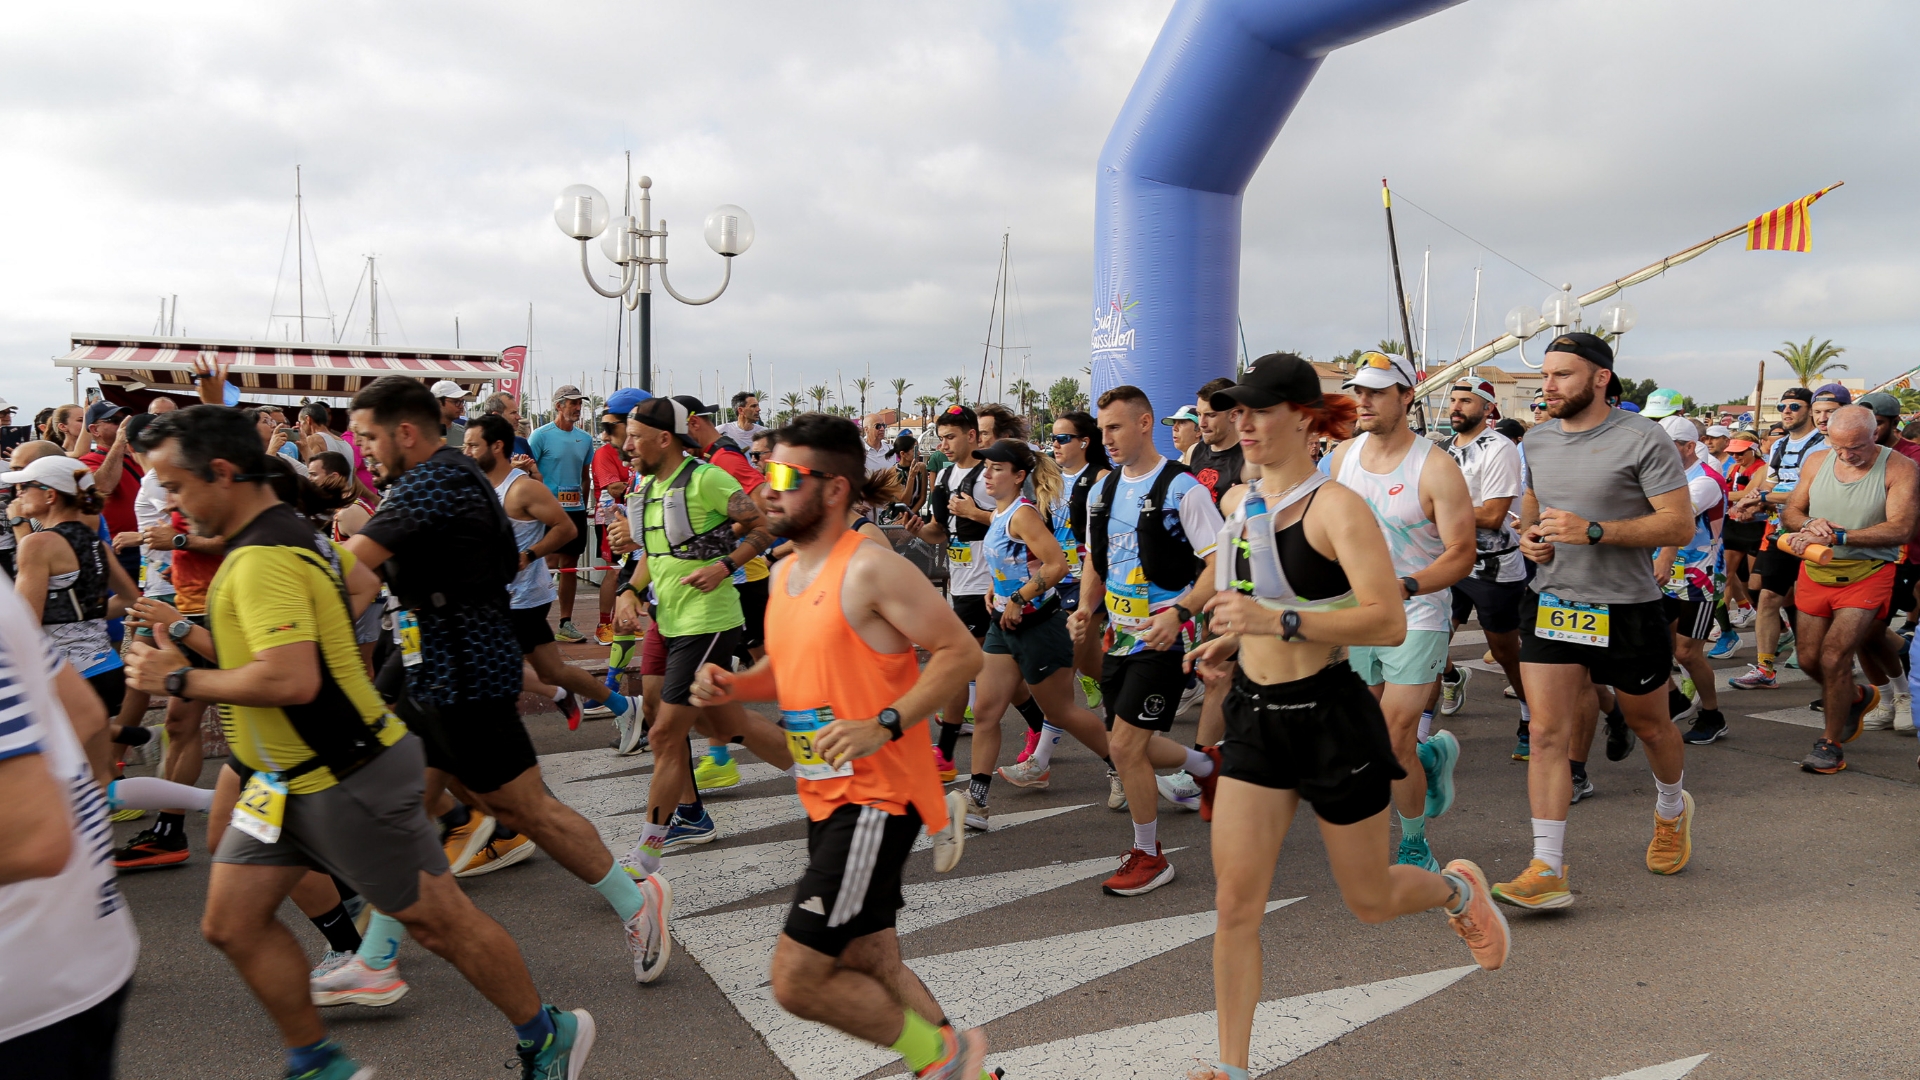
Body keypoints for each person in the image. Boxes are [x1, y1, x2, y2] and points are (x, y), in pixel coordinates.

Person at [128, 404, 596, 1080]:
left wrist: (178, 678)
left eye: (174, 486)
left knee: (440, 923)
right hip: (280, 781)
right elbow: (324, 614)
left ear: (223, 473)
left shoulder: (263, 555)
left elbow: (289, 678)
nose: (169, 506)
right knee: (232, 923)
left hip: (346, 775)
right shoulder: (275, 533)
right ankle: (317, 1064)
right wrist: (189, 639)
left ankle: (547, 1033)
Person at [1183, 353, 1508, 1080]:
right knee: (1236, 905)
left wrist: (1276, 621)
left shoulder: (1336, 508)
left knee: (1370, 898)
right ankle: (1232, 1068)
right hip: (1258, 720)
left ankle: (1458, 889)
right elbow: (1241, 588)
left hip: (1330, 720)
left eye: (1259, 411)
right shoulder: (1240, 504)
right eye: (1237, 412)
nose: (1245, 425)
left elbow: (1387, 619)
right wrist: (1218, 631)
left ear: (1300, 416)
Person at [343, 376, 672, 991]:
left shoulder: (433, 480)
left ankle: (637, 902)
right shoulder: (437, 481)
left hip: (465, 673)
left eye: (368, 437)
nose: (363, 450)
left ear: (405, 433)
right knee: (409, 809)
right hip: (436, 672)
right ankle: (378, 957)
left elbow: (350, 564)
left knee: (529, 811)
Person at [690, 412, 983, 1080]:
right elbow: (793, 669)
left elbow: (959, 654)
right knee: (871, 961)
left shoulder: (871, 570)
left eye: (787, 476)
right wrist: (734, 682)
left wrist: (882, 723)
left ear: (834, 490)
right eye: (768, 471)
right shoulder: (789, 570)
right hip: (826, 794)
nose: (769, 489)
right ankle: (968, 1075)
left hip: (876, 797)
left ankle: (941, 1056)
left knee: (799, 980)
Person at [1500, 333, 1697, 912]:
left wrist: (1593, 531)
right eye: (1546, 375)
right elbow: (1534, 503)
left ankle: (1670, 809)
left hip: (1628, 607)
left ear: (1600, 378)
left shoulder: (1642, 437)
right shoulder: (1535, 439)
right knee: (1545, 731)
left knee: (1651, 725)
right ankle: (1546, 866)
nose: (1548, 385)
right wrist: (1532, 538)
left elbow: (1678, 526)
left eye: (1562, 374)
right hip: (1553, 600)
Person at [611, 396, 783, 864]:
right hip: (665, 619)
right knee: (719, 720)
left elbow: (761, 527)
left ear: (663, 438)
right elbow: (655, 554)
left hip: (707, 620)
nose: (627, 445)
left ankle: (647, 853)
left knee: (666, 734)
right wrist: (628, 590)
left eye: (634, 436)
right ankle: (819, 770)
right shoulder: (646, 486)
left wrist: (724, 567)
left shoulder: (706, 478)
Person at [1071, 385, 1225, 896]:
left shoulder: (1184, 489)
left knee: (1124, 746)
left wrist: (1180, 612)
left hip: (1165, 639)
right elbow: (1098, 560)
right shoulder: (1101, 491)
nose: (1106, 439)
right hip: (1118, 638)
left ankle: (1149, 854)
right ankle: (1206, 765)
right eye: (1102, 429)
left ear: (1144, 423)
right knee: (1129, 744)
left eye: (1115, 427)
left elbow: (1220, 564)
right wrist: (1083, 610)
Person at [1329, 353, 1476, 871]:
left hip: (1418, 613)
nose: (1362, 401)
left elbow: (1462, 553)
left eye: (1375, 391)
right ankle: (1432, 757)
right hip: (1358, 614)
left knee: (1393, 739)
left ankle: (1414, 842)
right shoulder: (1341, 456)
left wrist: (1407, 585)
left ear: (1406, 396)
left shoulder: (1435, 466)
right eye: (1358, 391)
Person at [464, 412, 642, 810]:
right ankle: (624, 706)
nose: (467, 450)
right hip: (494, 597)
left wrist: (528, 555)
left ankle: (504, 763)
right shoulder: (477, 484)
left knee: (490, 672)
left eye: (473, 444)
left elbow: (566, 528)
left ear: (496, 447)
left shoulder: (521, 489)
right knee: (550, 670)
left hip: (522, 598)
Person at [0, 578, 138, 1078]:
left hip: (20, 992)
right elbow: (84, 714)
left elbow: (32, 838)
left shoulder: (37, 548)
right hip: (85, 948)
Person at [912, 406, 1052, 787]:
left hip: (987, 583)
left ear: (972, 436)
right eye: (940, 437)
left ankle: (944, 754)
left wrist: (974, 511)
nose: (944, 444)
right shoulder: (943, 474)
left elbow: (1011, 523)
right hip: (961, 581)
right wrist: (919, 529)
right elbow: (941, 533)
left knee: (957, 661)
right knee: (996, 672)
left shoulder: (989, 476)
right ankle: (1042, 726)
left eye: (951, 437)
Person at [965, 440, 1114, 798]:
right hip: (1003, 626)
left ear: (1018, 477)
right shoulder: (1000, 513)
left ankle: (1122, 765)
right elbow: (1014, 563)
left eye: (997, 468)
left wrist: (1019, 597)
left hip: (1039, 627)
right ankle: (977, 799)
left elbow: (1057, 565)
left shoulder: (1022, 514)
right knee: (985, 711)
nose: (987, 474)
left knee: (1062, 712)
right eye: (986, 468)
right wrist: (995, 589)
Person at [1777, 405, 1918, 773]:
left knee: (1834, 657)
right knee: (1807, 659)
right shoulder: (1817, 460)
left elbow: (1902, 528)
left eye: (1854, 447)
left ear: (1876, 434)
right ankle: (1855, 696)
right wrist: (1808, 523)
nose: (1845, 455)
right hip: (1816, 569)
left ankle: (1830, 744)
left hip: (1868, 573)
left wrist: (1842, 535)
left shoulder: (1900, 467)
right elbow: (1790, 510)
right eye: (1838, 446)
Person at [5, 454, 138, 726]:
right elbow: (130, 599)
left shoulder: (37, 544)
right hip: (107, 669)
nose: (17, 495)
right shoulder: (94, 542)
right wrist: (81, 615)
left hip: (66, 677)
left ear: (50, 495)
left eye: (24, 486)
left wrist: (19, 527)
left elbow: (25, 620)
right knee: (102, 769)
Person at [1441, 377, 1533, 758]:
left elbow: (1494, 515)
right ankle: (1431, 714)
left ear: (1487, 409)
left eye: (1466, 401)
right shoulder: (1447, 448)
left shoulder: (1500, 448)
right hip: (1450, 559)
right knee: (1429, 641)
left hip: (1493, 568)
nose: (1456, 407)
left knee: (1506, 651)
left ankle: (1530, 717)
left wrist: (1434, 511)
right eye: (1454, 400)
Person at [1729, 386, 1823, 690]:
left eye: (1794, 406)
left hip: (1813, 532)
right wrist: (1751, 504)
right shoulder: (1780, 445)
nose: (1786, 411)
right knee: (1767, 596)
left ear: (1809, 410)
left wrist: (1763, 496)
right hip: (1779, 532)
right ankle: (1765, 668)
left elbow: (1806, 493)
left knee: (1817, 603)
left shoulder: (1822, 446)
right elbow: (1769, 483)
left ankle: (1836, 668)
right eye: (1783, 406)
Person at [1656, 417, 1733, 746]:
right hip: (1659, 574)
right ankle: (1676, 700)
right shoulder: (1658, 475)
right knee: (1649, 642)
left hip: (1697, 578)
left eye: (1668, 447)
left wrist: (1666, 556)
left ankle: (1713, 716)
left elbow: (1677, 521)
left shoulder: (1706, 480)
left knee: (1687, 653)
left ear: (1690, 447)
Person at [529, 385, 595, 642]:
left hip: (576, 510)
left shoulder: (586, 439)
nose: (578, 408)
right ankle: (536, 621)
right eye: (573, 403)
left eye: (580, 403)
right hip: (546, 511)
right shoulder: (540, 435)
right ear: (558, 405)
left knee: (570, 566)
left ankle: (565, 623)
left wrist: (584, 505)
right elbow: (527, 471)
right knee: (547, 564)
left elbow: (584, 477)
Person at [76, 401, 144, 580]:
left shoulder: (138, 458)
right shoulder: (88, 461)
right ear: (95, 429)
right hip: (119, 549)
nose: (122, 424)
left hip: (144, 543)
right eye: (114, 420)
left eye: (124, 420)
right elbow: (103, 486)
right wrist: (120, 441)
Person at [482, 391, 537, 461]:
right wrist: (515, 469)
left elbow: (535, 471)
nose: (518, 417)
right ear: (496, 416)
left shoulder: (521, 443)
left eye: (517, 412)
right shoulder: (482, 445)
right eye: (513, 413)